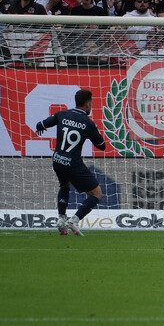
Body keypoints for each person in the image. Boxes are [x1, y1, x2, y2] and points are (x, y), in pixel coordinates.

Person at [35, 89, 106, 237]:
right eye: (91, 103)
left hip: (58, 160)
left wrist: (40, 127)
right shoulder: (88, 123)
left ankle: (61, 219)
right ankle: (74, 220)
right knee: (97, 194)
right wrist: (92, 132)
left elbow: (42, 124)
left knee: (65, 185)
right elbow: (102, 146)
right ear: (88, 104)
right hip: (73, 163)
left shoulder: (62, 114)